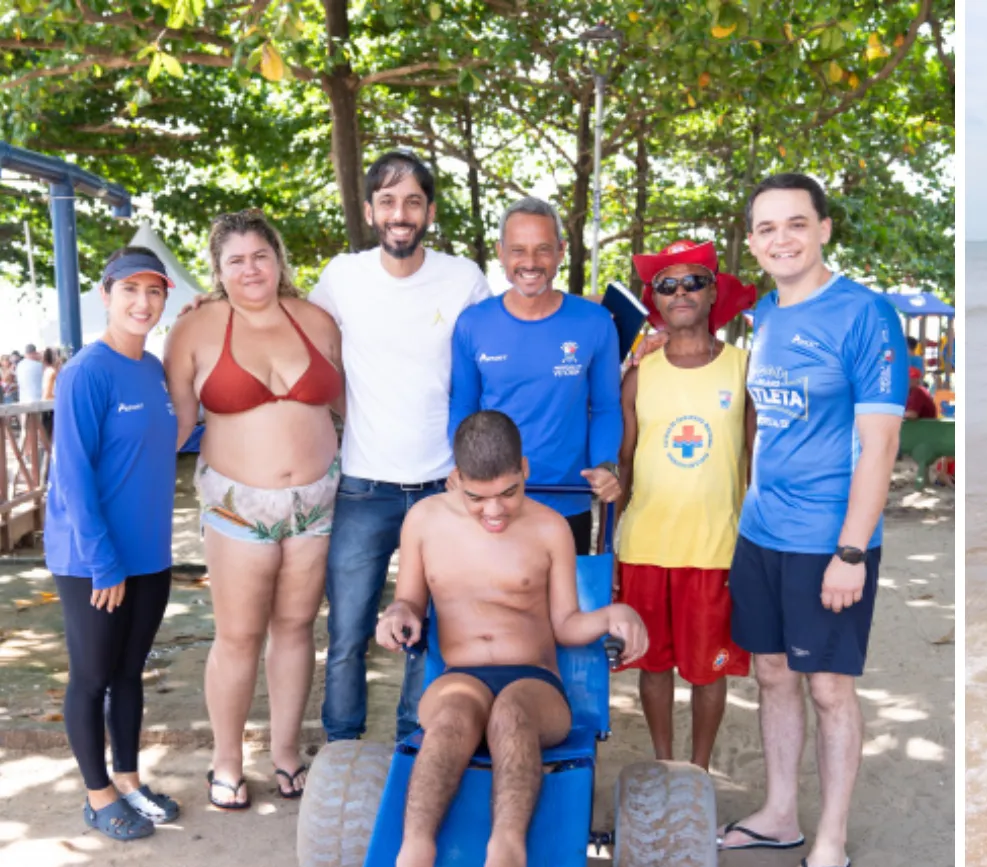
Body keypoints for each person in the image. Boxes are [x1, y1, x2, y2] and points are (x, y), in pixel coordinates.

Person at [370, 411, 645, 867]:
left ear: (524, 468)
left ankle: (507, 847)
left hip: (533, 682)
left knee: (512, 715)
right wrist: (398, 614)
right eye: (476, 497)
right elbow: (408, 598)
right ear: (454, 479)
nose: (494, 511)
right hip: (459, 674)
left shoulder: (548, 528)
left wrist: (612, 615)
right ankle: (416, 851)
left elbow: (565, 625)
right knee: (449, 718)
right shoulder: (425, 521)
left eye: (508, 493)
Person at [716, 173, 908, 867]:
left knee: (829, 687)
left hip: (830, 539)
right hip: (762, 531)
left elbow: (881, 444)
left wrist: (851, 550)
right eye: (766, 228)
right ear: (753, 241)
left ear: (824, 228)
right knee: (771, 676)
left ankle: (829, 839)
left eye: (796, 223)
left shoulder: (866, 315)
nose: (781, 239)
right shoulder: (765, 313)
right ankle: (779, 813)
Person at [312, 150, 493, 745]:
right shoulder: (343, 276)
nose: (400, 213)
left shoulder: (463, 277)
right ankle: (342, 750)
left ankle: (415, 748)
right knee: (349, 630)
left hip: (442, 484)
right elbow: (296, 334)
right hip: (364, 485)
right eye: (387, 201)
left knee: (433, 627)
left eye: (412, 201)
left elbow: (496, 358)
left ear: (429, 212)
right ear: (369, 210)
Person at [164, 210, 344, 807]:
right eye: (236, 260)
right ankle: (226, 760)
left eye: (260, 256)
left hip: (316, 501)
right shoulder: (195, 329)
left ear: (279, 258)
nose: (250, 269)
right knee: (239, 635)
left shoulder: (318, 321)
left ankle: (287, 753)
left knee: (296, 629)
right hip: (239, 505)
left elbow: (352, 403)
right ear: (217, 270)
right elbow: (175, 424)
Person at [42, 249, 182, 840]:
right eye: (130, 290)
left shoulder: (152, 368)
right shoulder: (86, 372)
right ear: (105, 294)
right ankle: (97, 796)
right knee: (92, 675)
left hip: (149, 552)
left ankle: (128, 780)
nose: (142, 303)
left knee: (129, 673)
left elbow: (171, 436)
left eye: (154, 292)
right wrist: (103, 563)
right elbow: (71, 473)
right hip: (93, 559)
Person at [613, 238, 758, 770]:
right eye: (666, 284)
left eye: (693, 281)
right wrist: (608, 550)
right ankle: (663, 764)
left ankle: (696, 772)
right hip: (646, 544)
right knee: (654, 666)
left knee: (708, 670)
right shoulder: (639, 374)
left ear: (712, 290)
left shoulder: (744, 369)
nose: (680, 292)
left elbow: (755, 463)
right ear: (654, 298)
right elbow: (623, 464)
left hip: (716, 547)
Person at [448, 197, 622, 555]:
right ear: (500, 253)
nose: (530, 262)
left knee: (562, 610)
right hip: (490, 502)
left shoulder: (594, 322)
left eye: (543, 249)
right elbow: (463, 404)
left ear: (560, 251)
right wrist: (461, 465)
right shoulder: (473, 324)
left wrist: (606, 464)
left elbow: (606, 406)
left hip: (567, 500)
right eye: (518, 250)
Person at [15, 343, 45, 467]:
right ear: (34, 352)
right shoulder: (39, 366)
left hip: (23, 403)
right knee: (41, 432)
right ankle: (40, 457)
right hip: (39, 403)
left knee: (26, 431)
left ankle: (26, 455)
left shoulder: (19, 366)